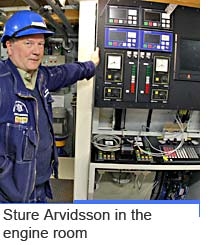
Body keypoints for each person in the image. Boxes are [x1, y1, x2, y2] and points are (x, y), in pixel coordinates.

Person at [0, 10, 100, 203]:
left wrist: (91, 65)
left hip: (40, 184)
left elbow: (67, 72)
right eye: (28, 43)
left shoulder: (41, 77)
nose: (37, 51)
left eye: (41, 44)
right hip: (10, 195)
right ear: (9, 46)